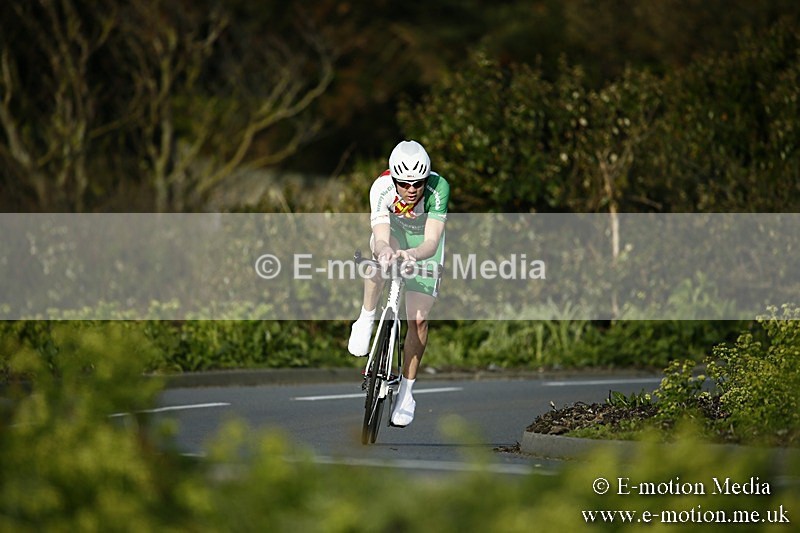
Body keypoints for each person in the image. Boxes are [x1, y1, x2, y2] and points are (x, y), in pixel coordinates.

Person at [348, 139, 450, 427]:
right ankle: (366, 318)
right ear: (393, 178)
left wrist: (412, 255)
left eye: (417, 183)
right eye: (404, 184)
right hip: (393, 233)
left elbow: (431, 242)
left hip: (422, 244)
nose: (412, 190)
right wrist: (386, 252)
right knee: (379, 263)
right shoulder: (380, 187)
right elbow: (380, 236)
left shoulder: (438, 188)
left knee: (418, 320)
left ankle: (407, 392)